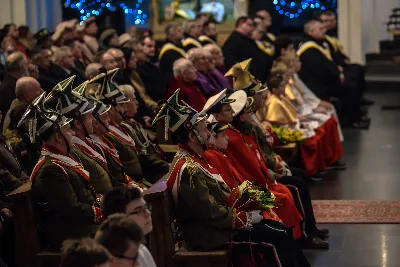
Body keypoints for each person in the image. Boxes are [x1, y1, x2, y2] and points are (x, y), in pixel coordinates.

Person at [153, 88, 311, 266]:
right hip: (210, 235)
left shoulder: (196, 159)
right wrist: (245, 218)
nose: (210, 134)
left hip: (219, 225)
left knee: (279, 229)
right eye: (205, 130)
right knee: (276, 237)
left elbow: (223, 194)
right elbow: (211, 213)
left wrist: (249, 207)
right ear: (192, 136)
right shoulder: (188, 169)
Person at [19, 90, 103, 247]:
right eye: (68, 130)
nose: (72, 133)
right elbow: (72, 210)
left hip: (83, 225)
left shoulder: (62, 159)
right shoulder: (50, 170)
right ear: (58, 137)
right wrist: (104, 211)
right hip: (72, 235)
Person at [44, 77, 116, 194]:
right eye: (90, 116)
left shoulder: (88, 141)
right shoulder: (74, 150)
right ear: (78, 124)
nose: (94, 120)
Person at [297, 20, 369, 129]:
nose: (324, 30)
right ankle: (350, 121)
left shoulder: (317, 44)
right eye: (320, 29)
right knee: (350, 87)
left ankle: (354, 116)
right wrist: (337, 75)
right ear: (312, 32)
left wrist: (338, 72)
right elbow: (321, 69)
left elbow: (327, 64)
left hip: (321, 80)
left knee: (352, 78)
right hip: (315, 85)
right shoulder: (309, 48)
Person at [119, 85, 169, 183]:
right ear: (124, 104)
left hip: (157, 165)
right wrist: (167, 165)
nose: (137, 103)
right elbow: (143, 157)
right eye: (133, 100)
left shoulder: (131, 122)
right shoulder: (125, 127)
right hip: (151, 173)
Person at [101, 186, 156, 267]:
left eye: (146, 207)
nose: (148, 213)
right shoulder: (117, 260)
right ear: (119, 219)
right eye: (138, 211)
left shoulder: (139, 247)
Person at [222, 16, 272, 83]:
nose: (253, 28)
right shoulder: (235, 40)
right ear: (241, 24)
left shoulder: (247, 40)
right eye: (250, 25)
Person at [0, 52, 29, 125]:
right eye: (26, 64)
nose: (27, 67)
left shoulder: (14, 82)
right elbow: (13, 114)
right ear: (21, 66)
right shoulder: (8, 88)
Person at [137, 36, 167, 102]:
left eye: (154, 46)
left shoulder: (152, 65)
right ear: (141, 47)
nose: (153, 49)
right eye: (149, 46)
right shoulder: (138, 68)